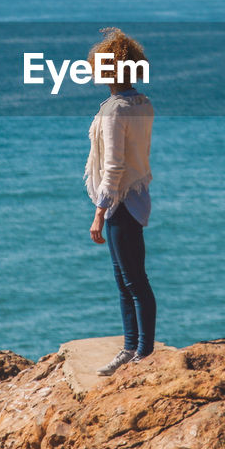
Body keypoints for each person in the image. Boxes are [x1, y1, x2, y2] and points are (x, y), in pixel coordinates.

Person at [83, 27, 156, 376]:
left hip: (120, 203)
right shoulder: (142, 104)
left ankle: (143, 352)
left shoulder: (115, 111)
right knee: (128, 278)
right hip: (137, 196)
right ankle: (131, 348)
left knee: (132, 281)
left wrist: (99, 213)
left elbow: (114, 165)